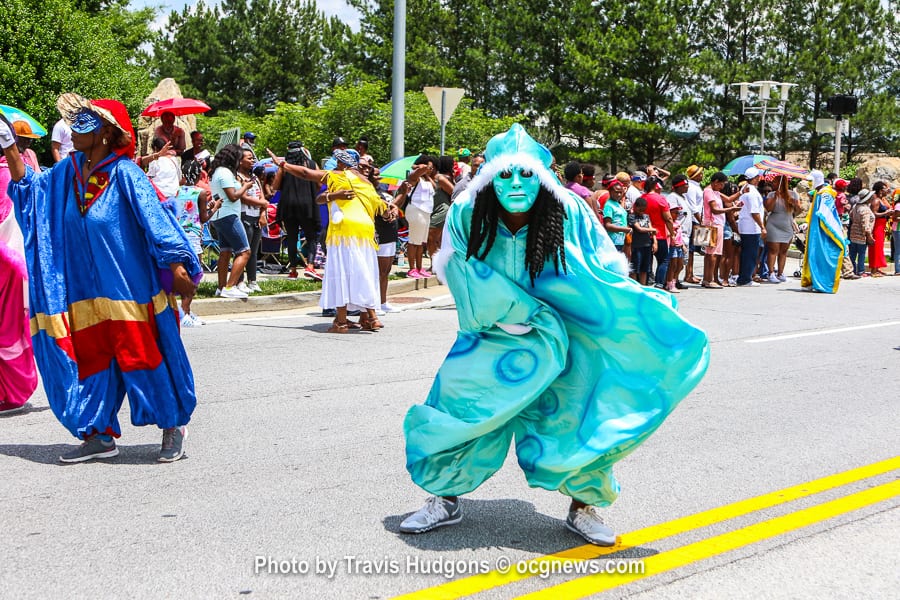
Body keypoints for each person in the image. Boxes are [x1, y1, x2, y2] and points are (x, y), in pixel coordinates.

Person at [399, 124, 709, 544]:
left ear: (541, 178)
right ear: (490, 177)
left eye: (526, 174)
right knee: (460, 409)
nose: (515, 183)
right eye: (505, 174)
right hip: (492, 332)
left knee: (578, 417)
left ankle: (583, 506)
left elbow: (601, 267)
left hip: (566, 334)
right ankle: (444, 496)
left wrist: (634, 305)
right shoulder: (467, 212)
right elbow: (459, 269)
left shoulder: (568, 211)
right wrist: (511, 313)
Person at [1, 93, 201, 462]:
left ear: (106, 132)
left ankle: (173, 425)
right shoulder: (67, 172)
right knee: (92, 363)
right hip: (84, 292)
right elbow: (30, 190)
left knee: (145, 357)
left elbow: (156, 220)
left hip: (129, 288)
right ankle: (99, 434)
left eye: (84, 124)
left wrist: (176, 265)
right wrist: (10, 146)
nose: (73, 131)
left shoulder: (126, 173)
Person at [268, 147, 385, 332]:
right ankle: (370, 318)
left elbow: (306, 173)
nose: (335, 165)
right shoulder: (366, 182)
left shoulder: (337, 176)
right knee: (363, 272)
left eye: (337, 162)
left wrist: (282, 164)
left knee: (341, 273)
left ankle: (341, 322)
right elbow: (381, 207)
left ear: (342, 164)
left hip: (344, 229)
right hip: (366, 232)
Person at [0, 115, 38, 414]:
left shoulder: (13, 171)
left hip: (10, 259)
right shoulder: (18, 169)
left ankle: (10, 391)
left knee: (9, 327)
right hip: (14, 259)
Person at [209, 144, 254, 298]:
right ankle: (230, 287)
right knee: (245, 251)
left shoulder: (217, 172)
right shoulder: (225, 173)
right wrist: (245, 186)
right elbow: (233, 196)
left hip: (219, 216)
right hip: (229, 215)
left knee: (225, 252)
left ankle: (221, 287)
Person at [272, 142, 322, 280]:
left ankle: (293, 270)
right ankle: (310, 266)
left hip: (289, 204)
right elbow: (319, 183)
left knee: (292, 237)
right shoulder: (312, 164)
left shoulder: (285, 166)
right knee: (311, 236)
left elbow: (275, 185)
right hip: (308, 204)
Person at [800, 170, 845, 293]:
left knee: (822, 256)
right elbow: (813, 211)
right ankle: (813, 281)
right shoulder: (818, 192)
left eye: (811, 181)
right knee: (814, 255)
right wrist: (808, 222)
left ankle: (824, 284)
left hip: (822, 232)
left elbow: (827, 213)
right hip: (815, 230)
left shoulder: (825, 194)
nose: (809, 184)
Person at [394, 155, 437, 278]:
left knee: (421, 242)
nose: (430, 169)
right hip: (416, 210)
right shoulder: (414, 177)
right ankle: (412, 268)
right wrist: (419, 166)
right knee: (413, 241)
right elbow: (418, 171)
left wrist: (427, 174)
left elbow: (434, 186)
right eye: (428, 166)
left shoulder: (427, 179)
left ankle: (419, 267)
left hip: (426, 212)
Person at [236, 147, 269, 293]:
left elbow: (261, 195)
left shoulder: (254, 178)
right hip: (244, 215)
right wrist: (262, 203)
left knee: (254, 251)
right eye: (249, 158)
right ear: (240, 161)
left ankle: (252, 280)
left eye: (252, 158)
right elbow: (243, 198)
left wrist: (262, 213)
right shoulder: (237, 177)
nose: (252, 160)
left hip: (256, 216)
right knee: (244, 250)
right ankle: (239, 280)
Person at [700, 172, 739, 288]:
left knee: (709, 253)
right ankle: (710, 279)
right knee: (713, 254)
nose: (722, 187)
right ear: (716, 182)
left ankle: (707, 279)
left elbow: (729, 198)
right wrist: (730, 209)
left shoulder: (714, 191)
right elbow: (715, 210)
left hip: (712, 224)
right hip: (713, 224)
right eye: (721, 184)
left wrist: (741, 192)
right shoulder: (709, 191)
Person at [763, 175, 799, 283]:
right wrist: (775, 197)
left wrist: (794, 204)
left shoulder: (793, 194)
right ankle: (771, 273)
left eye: (775, 182)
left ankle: (780, 273)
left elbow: (799, 210)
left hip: (787, 225)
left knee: (783, 251)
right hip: (774, 224)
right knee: (773, 250)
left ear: (781, 183)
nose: (772, 183)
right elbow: (768, 209)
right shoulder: (771, 194)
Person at [736, 167, 765, 287]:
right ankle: (745, 279)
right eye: (757, 177)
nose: (759, 179)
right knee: (751, 254)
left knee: (746, 253)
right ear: (754, 178)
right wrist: (762, 226)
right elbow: (754, 212)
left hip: (745, 226)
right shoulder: (752, 193)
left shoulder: (744, 189)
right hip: (751, 228)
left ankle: (744, 277)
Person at [848, 189, 876, 276]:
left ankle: (852, 269)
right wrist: (869, 236)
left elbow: (851, 216)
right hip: (862, 234)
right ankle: (861, 271)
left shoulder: (855, 206)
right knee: (861, 253)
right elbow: (866, 224)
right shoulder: (865, 210)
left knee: (853, 254)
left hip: (853, 233)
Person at [868, 181, 891, 276]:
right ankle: (873, 269)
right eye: (885, 189)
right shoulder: (876, 200)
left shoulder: (882, 199)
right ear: (880, 190)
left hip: (882, 225)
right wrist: (886, 213)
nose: (887, 190)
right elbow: (873, 214)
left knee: (879, 247)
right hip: (877, 225)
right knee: (875, 247)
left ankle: (878, 267)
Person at [602, 179, 629, 253]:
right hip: (612, 242)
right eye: (616, 192)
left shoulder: (617, 204)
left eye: (620, 192)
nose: (619, 194)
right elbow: (608, 225)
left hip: (620, 241)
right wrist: (625, 229)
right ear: (610, 191)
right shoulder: (609, 205)